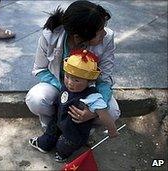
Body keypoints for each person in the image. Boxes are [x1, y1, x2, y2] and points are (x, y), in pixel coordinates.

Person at [25, 0, 120, 130]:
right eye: (100, 31)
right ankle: (52, 125)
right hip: (57, 86)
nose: (104, 33)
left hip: (88, 90)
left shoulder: (107, 38)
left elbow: (104, 79)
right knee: (37, 99)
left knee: (112, 112)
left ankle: (83, 130)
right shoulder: (50, 35)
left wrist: (93, 110)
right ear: (78, 37)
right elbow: (40, 70)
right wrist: (65, 90)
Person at [29, 49, 119, 162]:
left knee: (65, 145)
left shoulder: (93, 97)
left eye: (77, 80)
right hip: (59, 120)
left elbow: (104, 114)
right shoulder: (66, 85)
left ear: (89, 81)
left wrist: (112, 130)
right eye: (67, 77)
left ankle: (62, 154)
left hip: (74, 130)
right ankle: (44, 144)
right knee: (50, 132)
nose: (70, 82)